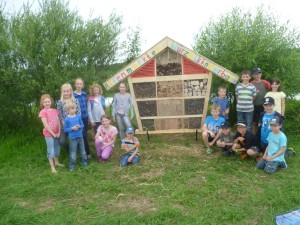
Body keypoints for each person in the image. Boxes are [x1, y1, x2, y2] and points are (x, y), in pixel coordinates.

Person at [39, 94, 64, 173]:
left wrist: (59, 132)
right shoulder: (43, 112)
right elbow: (46, 125)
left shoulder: (55, 110)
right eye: (45, 102)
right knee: (51, 150)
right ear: (42, 103)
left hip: (57, 133)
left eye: (48, 101)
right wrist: (53, 133)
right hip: (49, 135)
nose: (47, 103)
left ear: (51, 102)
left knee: (57, 149)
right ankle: (52, 167)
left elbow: (58, 122)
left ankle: (56, 163)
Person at [57, 83, 81, 151]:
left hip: (75, 124)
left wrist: (76, 123)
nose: (66, 93)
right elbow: (60, 114)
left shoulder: (75, 100)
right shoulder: (60, 102)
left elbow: (79, 112)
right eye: (64, 91)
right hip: (64, 125)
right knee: (62, 141)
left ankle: (77, 150)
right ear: (62, 92)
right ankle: (70, 149)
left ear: (71, 92)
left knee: (77, 139)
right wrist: (64, 123)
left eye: (67, 91)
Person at [64, 102, 88, 171]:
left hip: (80, 136)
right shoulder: (67, 119)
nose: (74, 110)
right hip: (72, 138)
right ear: (68, 110)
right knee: (73, 153)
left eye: (75, 108)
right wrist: (72, 128)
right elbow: (65, 129)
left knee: (83, 151)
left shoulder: (78, 116)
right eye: (72, 109)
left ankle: (84, 162)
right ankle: (72, 165)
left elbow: (82, 125)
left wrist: (79, 126)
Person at [73, 78, 91, 159]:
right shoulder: (73, 95)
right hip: (78, 119)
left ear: (83, 85)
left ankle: (86, 153)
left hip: (85, 117)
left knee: (85, 135)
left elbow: (87, 106)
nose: (79, 85)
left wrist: (89, 118)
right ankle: (85, 153)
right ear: (75, 85)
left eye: (80, 84)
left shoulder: (84, 94)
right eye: (77, 84)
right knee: (82, 136)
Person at [251, 68, 271, 133]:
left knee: (262, 121)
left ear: (261, 74)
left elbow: (270, 90)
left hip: (263, 105)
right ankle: (253, 135)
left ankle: (262, 134)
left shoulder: (265, 82)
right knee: (253, 121)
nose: (258, 75)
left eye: (259, 74)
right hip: (253, 105)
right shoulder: (251, 84)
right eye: (256, 74)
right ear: (253, 75)